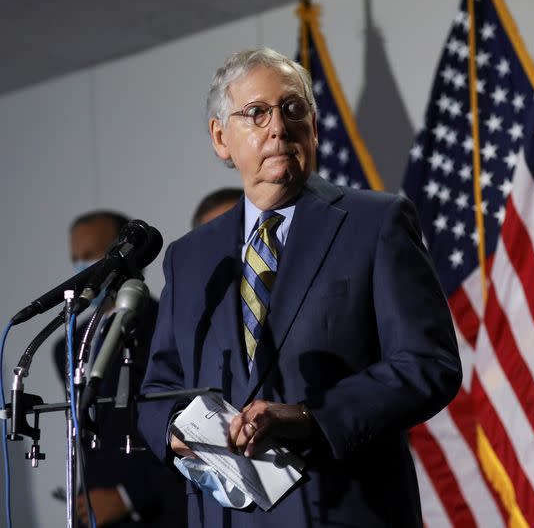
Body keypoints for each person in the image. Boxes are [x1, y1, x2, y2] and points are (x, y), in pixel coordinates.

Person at [137, 47, 462, 527]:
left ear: (312, 126)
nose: (278, 128)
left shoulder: (375, 223)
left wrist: (312, 417)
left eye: (293, 110)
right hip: (225, 516)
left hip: (346, 509)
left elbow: (427, 364)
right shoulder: (190, 257)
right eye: (257, 113)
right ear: (220, 138)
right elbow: (159, 389)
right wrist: (175, 431)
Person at [53, 211, 187, 527]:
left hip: (161, 511)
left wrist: (129, 496)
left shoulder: (165, 325)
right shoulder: (68, 343)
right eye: (76, 258)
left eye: (91, 256)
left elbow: (179, 425)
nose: (81, 267)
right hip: (96, 514)